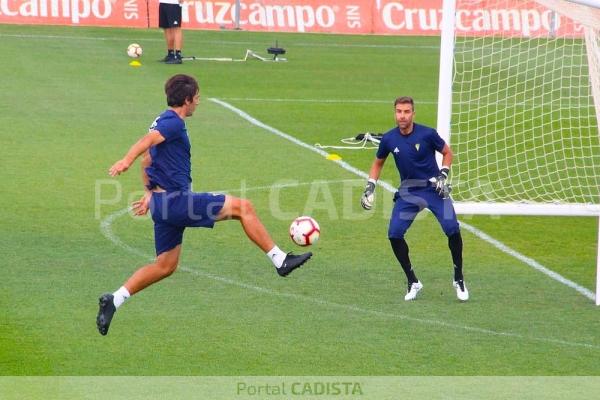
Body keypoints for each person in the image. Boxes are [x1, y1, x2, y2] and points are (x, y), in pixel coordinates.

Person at [96, 74, 312, 335]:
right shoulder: (172, 123)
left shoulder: (162, 120)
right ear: (186, 100)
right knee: (243, 207)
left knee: (165, 266)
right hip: (178, 202)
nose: (198, 102)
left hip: (162, 207)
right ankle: (280, 261)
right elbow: (145, 145)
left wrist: (150, 194)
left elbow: (147, 162)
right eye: (197, 98)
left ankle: (114, 299)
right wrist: (125, 160)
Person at [360, 96, 468, 302]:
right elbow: (378, 163)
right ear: (395, 113)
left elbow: (447, 153)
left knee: (452, 229)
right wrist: (370, 187)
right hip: (409, 191)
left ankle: (458, 277)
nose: (402, 116)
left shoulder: (427, 134)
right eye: (399, 111)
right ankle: (413, 281)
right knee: (394, 234)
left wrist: (443, 176)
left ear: (413, 114)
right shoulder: (389, 139)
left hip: (433, 189)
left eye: (406, 111)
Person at [159, 0, 184, 64]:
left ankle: (178, 55)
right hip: (163, 2)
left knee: (176, 28)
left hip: (174, 3)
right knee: (166, 27)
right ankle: (170, 54)